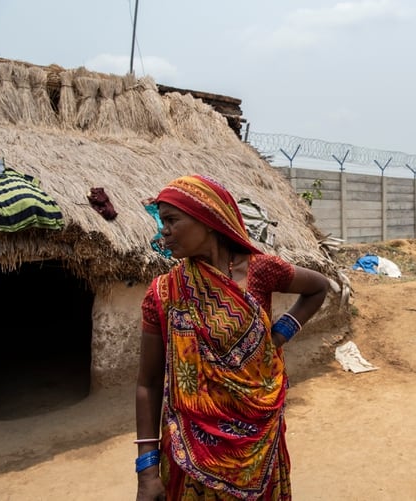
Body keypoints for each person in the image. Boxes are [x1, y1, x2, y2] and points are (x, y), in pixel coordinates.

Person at [135, 174, 329, 500]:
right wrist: (147, 471)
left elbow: (318, 287)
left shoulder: (261, 271)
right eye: (161, 221)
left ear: (207, 219)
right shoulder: (163, 293)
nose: (163, 231)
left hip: (259, 441)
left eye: (171, 220)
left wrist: (278, 336)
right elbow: (148, 384)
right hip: (191, 453)